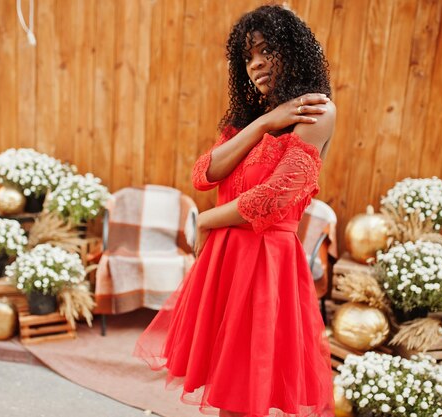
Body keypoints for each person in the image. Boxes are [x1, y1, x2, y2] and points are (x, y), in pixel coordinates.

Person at [134, 5, 335, 417]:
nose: (256, 64)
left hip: (265, 263)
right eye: (247, 57)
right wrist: (263, 124)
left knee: (247, 390)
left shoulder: (317, 111)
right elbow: (203, 174)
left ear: (293, 51)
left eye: (266, 51)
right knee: (226, 385)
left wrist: (205, 220)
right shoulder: (254, 119)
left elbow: (275, 198)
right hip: (225, 260)